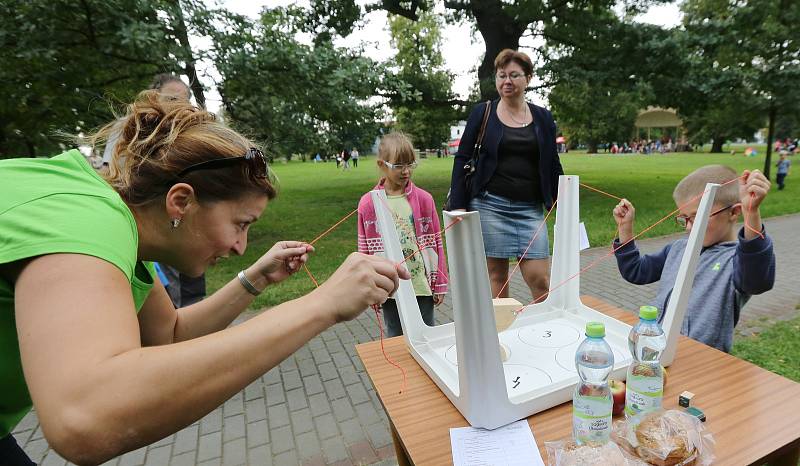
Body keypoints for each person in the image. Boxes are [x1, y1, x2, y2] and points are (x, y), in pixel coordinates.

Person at [0, 91, 408, 464]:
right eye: (241, 223)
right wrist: (322, 305)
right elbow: (86, 416)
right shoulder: (82, 219)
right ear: (181, 201)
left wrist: (254, 280)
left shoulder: (117, 221)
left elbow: (169, 335)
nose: (240, 247)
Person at [612, 165, 775, 353]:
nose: (689, 228)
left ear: (734, 212)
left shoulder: (736, 261)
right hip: (656, 350)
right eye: (684, 219)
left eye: (697, 217)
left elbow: (757, 282)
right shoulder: (678, 248)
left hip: (701, 362)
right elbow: (636, 272)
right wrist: (625, 229)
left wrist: (752, 213)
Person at [447, 49, 563, 301]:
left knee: (540, 279)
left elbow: (552, 161)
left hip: (530, 210)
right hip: (490, 206)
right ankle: (499, 336)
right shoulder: (483, 112)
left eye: (514, 75)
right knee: (496, 277)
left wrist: (562, 201)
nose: (506, 81)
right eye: (501, 76)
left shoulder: (543, 117)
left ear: (528, 78)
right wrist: (458, 204)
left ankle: (543, 333)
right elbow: (463, 157)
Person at [357, 133, 448, 337]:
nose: (406, 171)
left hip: (421, 285)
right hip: (389, 289)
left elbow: (436, 242)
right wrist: (369, 289)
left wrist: (439, 282)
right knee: (396, 338)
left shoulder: (425, 200)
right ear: (382, 164)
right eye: (399, 166)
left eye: (410, 164)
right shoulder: (368, 203)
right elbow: (364, 251)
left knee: (426, 338)